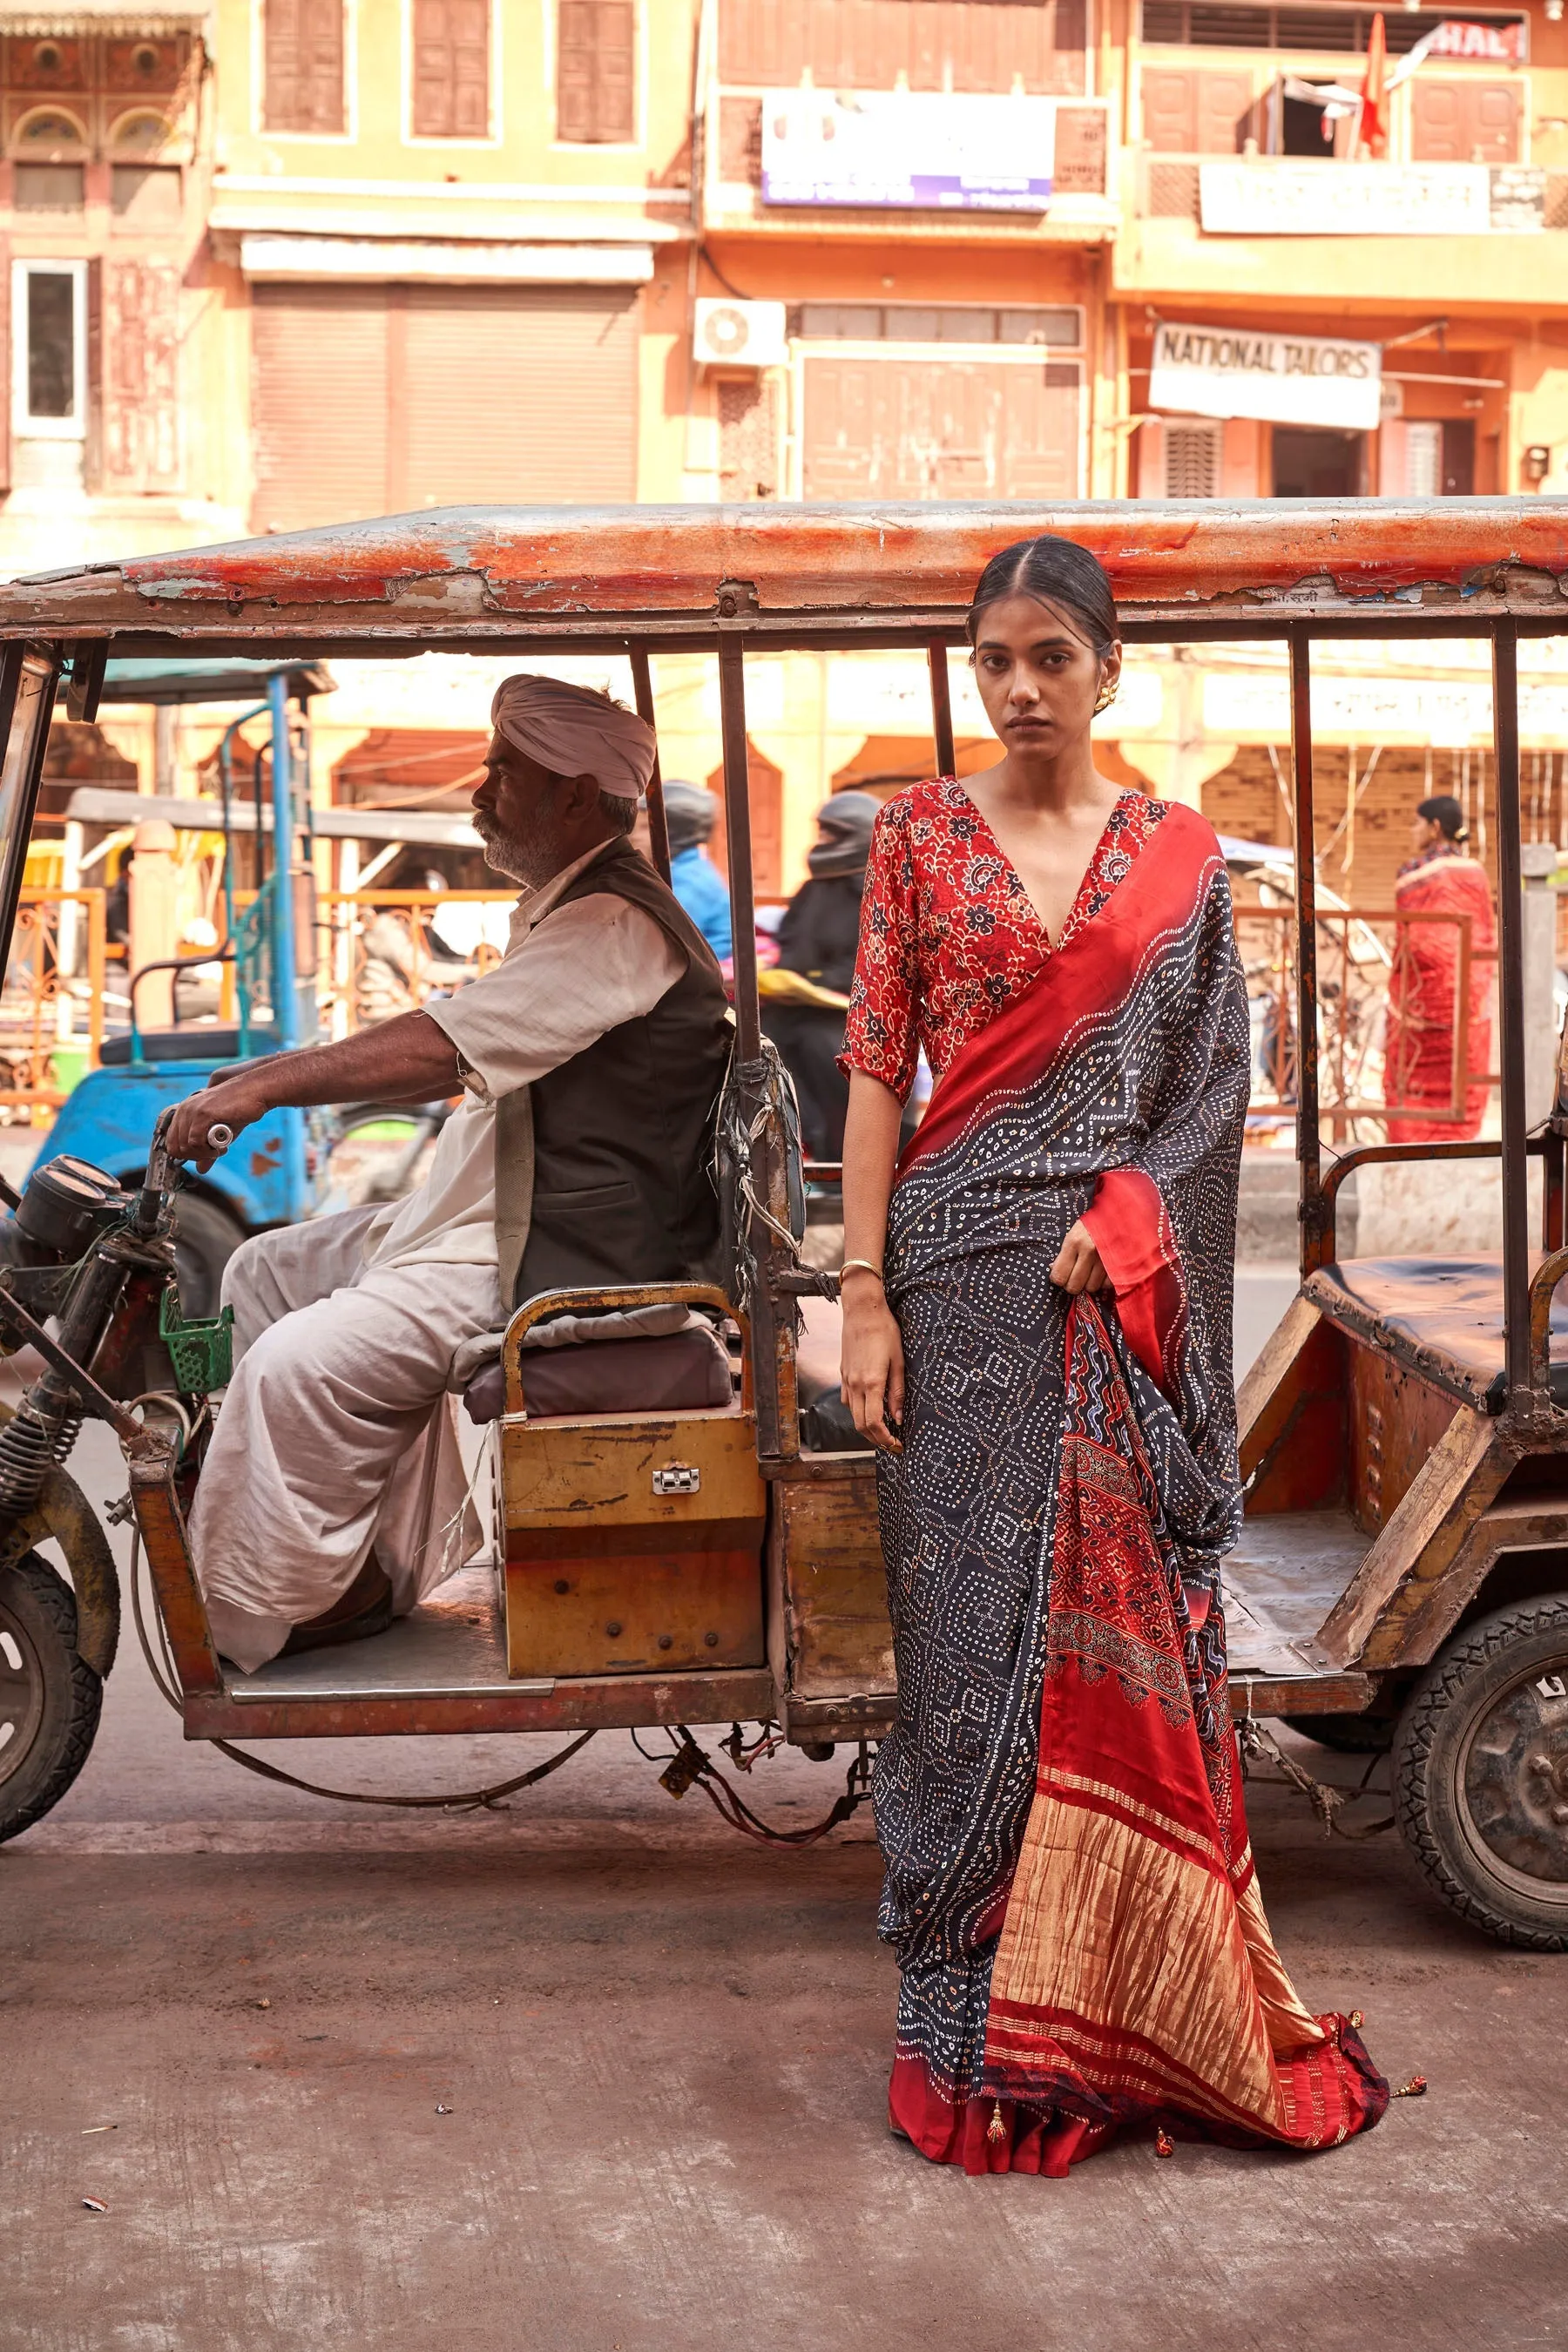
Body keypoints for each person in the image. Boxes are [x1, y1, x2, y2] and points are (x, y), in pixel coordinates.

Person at [836, 534, 1387, 2176]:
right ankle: (973, 2014)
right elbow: (876, 1064)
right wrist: (860, 1290)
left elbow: (1213, 1093)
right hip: (953, 1282)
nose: (1017, 689)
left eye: (1049, 659)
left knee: (1113, 1652)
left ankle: (1126, 2001)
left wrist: (1134, 1215)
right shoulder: (918, 837)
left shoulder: (1180, 857)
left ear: (1106, 671)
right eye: (992, 659)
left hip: (1110, 1307)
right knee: (962, 1651)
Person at [163, 676, 732, 1673]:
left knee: (292, 1370)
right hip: (492, 1210)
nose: (482, 789)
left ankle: (278, 1604)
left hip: (555, 1246)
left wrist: (260, 1089)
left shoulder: (616, 926)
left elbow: (441, 1045)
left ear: (570, 795)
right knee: (263, 1272)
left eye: (504, 770)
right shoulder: (570, 909)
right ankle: (358, 1561)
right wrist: (254, 1076)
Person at [760, 789, 879, 1159]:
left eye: (832, 835)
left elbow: (867, 960)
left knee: (819, 1047)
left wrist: (818, 983)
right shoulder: (812, 889)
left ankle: (838, 1157)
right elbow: (793, 946)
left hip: (847, 1015)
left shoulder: (874, 891)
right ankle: (794, 1152)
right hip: (797, 1008)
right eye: (822, 834)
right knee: (763, 1046)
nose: (823, 843)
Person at [1383, 792, 1496, 1143]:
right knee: (1459, 1077)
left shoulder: (1414, 873)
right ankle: (1458, 1136)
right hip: (1468, 1001)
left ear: (1434, 828)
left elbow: (1413, 938)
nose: (1412, 831)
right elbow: (1484, 934)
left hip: (1422, 1007)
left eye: (1417, 823)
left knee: (1410, 1078)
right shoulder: (1476, 872)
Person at [661, 780, 733, 963]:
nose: (633, 834)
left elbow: (664, 945)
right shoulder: (677, 870)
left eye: (645, 826)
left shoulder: (690, 881)